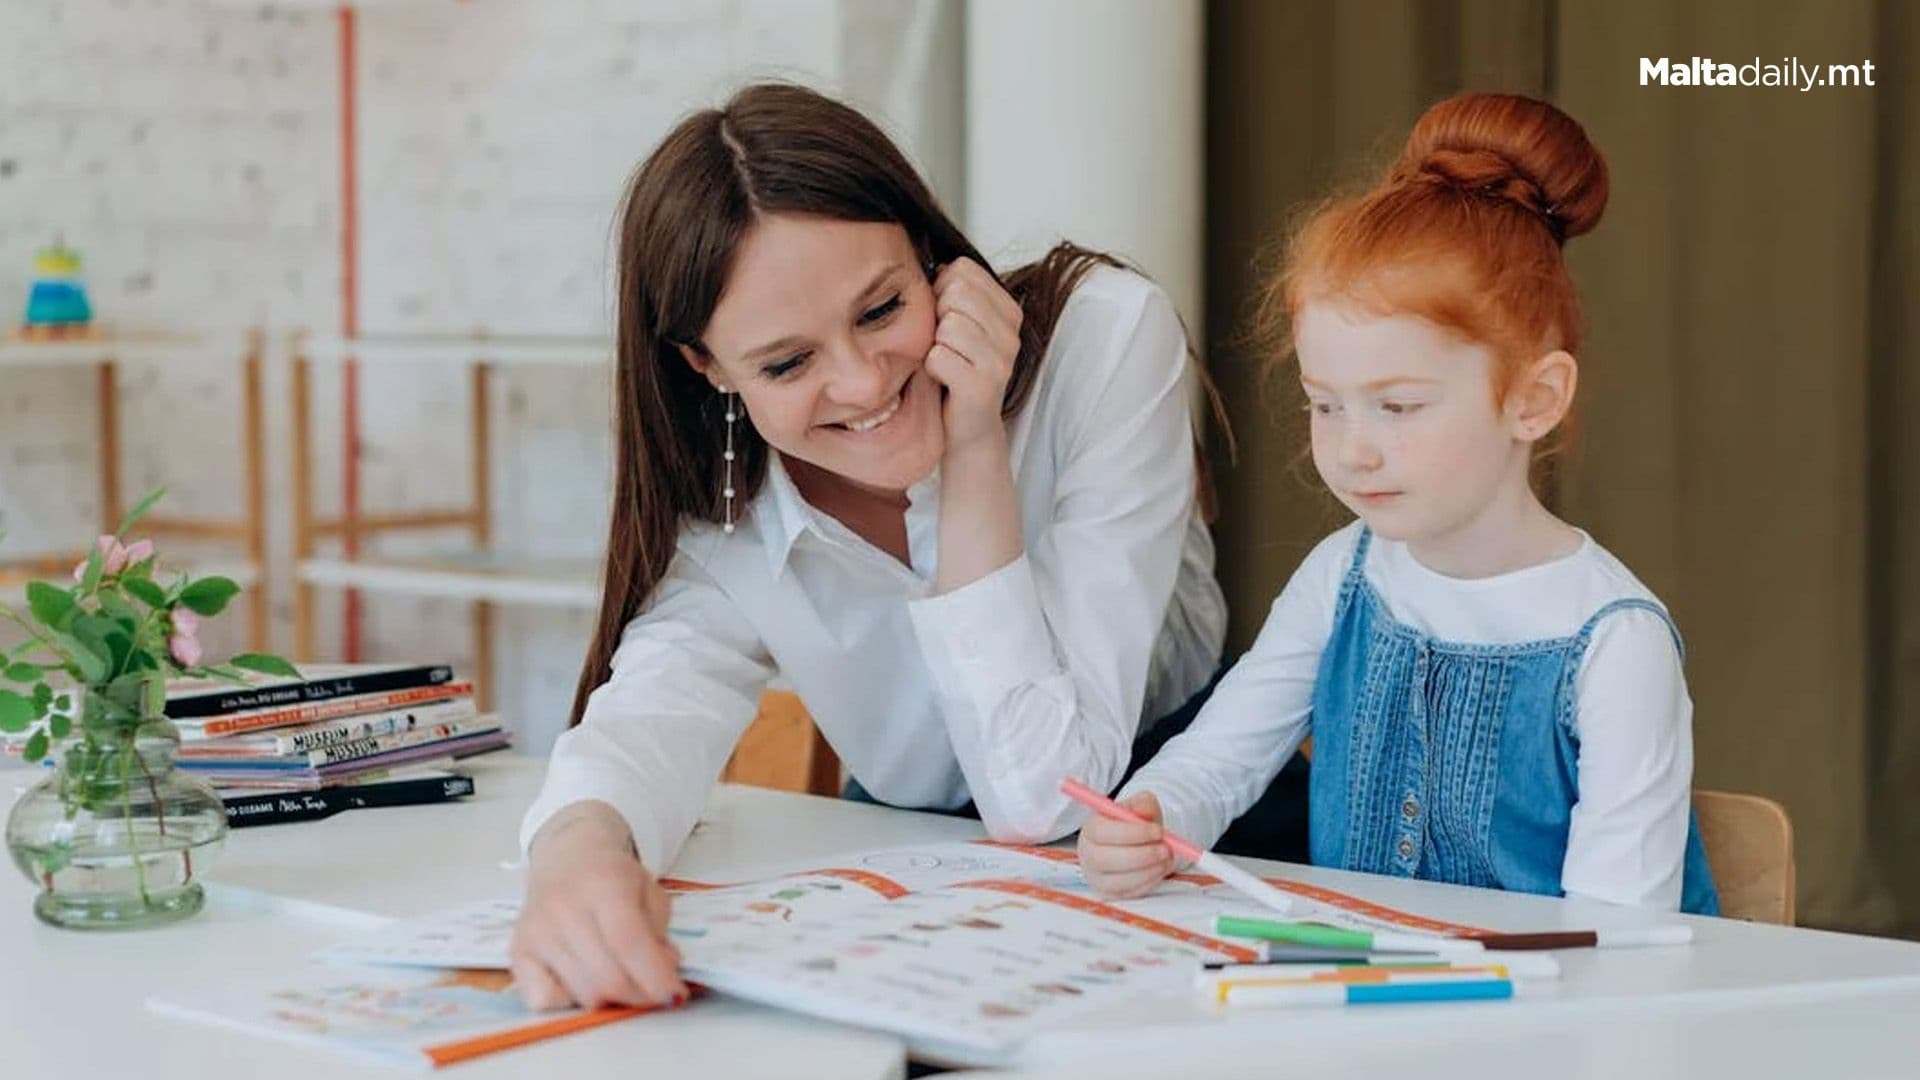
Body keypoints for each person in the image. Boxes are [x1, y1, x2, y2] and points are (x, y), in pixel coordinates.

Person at [510, 82, 1239, 1010]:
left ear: (929, 252)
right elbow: (647, 719)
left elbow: (1046, 798)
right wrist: (576, 857)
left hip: (1183, 831)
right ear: (709, 368)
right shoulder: (725, 515)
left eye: (882, 309)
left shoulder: (1101, 339)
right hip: (917, 885)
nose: (860, 383)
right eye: (786, 363)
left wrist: (973, 447)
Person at [1079, 92, 1720, 917]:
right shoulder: (1343, 575)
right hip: (1377, 1007)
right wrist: (1150, 817)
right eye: (1325, 403)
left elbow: (1613, 935)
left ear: (1534, 398)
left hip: (1560, 1021)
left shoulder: (1616, 643)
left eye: (1399, 406)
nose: (1353, 449)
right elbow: (1220, 759)